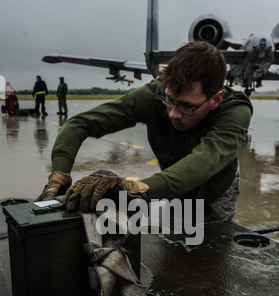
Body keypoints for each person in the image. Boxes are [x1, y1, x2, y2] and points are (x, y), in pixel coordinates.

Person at [37, 41, 253, 222]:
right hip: (169, 183)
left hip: (215, 190)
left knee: (212, 248)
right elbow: (79, 125)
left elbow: (202, 163)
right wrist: (59, 175)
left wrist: (134, 188)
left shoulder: (235, 112)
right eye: (169, 100)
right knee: (172, 237)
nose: (173, 114)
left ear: (215, 100)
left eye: (187, 106)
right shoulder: (154, 94)